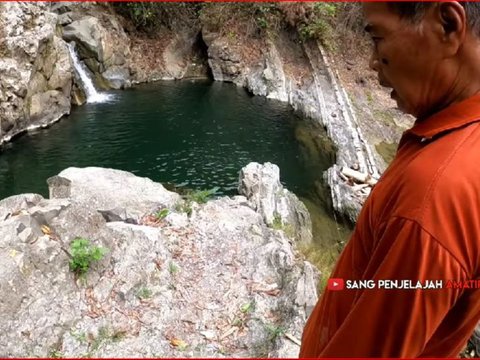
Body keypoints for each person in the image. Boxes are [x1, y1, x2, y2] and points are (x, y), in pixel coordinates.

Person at [300, 2, 480, 357]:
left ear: (447, 25)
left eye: (377, 37)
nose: (371, 61)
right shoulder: (459, 144)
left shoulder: (434, 193)